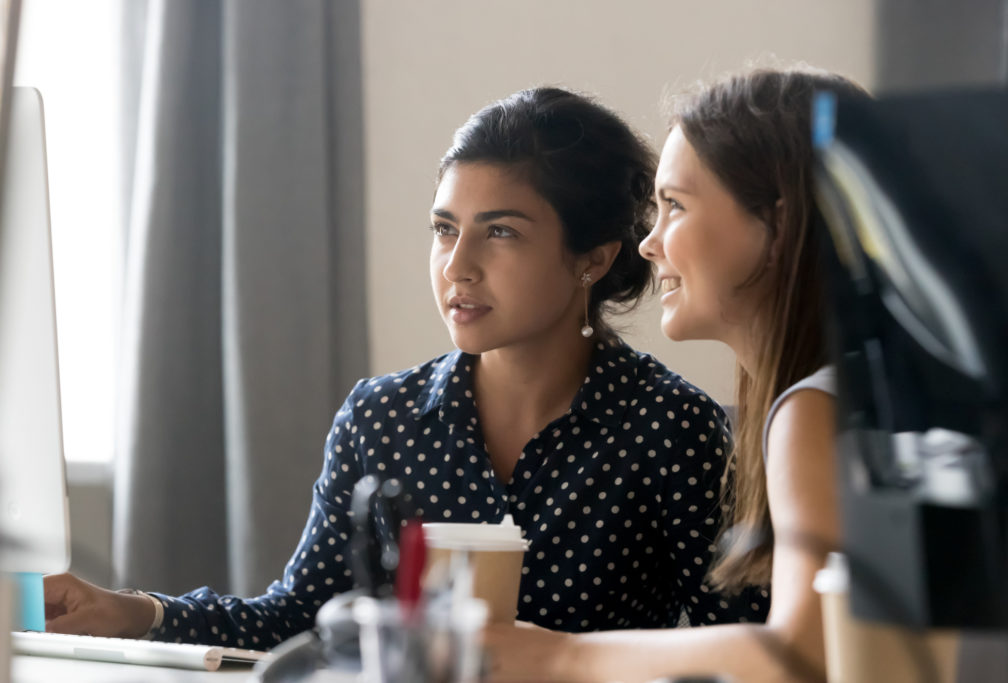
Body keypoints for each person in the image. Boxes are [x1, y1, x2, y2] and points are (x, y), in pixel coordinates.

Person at [44, 87, 764, 648]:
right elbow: (302, 617)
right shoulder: (379, 417)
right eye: (445, 230)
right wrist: (133, 611)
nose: (458, 266)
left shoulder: (674, 430)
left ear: (594, 257)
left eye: (501, 232)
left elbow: (734, 647)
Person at [484, 67, 870, 682]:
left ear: (778, 224)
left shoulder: (811, 410)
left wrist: (560, 655)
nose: (648, 243)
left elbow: (804, 655)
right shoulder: (855, 390)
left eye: (675, 206)